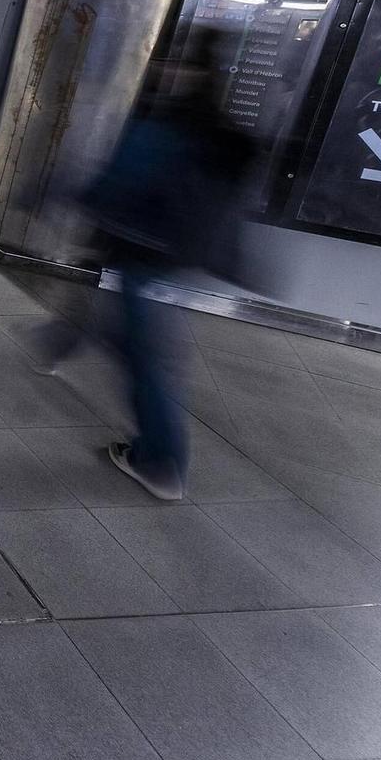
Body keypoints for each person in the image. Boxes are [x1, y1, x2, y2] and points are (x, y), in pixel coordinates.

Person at [72, 27, 254, 501]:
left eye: (171, 63)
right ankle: (155, 447)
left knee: (148, 359)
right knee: (144, 346)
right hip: (182, 260)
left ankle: (159, 462)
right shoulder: (221, 129)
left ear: (185, 70)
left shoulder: (167, 126)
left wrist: (77, 199)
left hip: (145, 255)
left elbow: (111, 188)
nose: (162, 70)